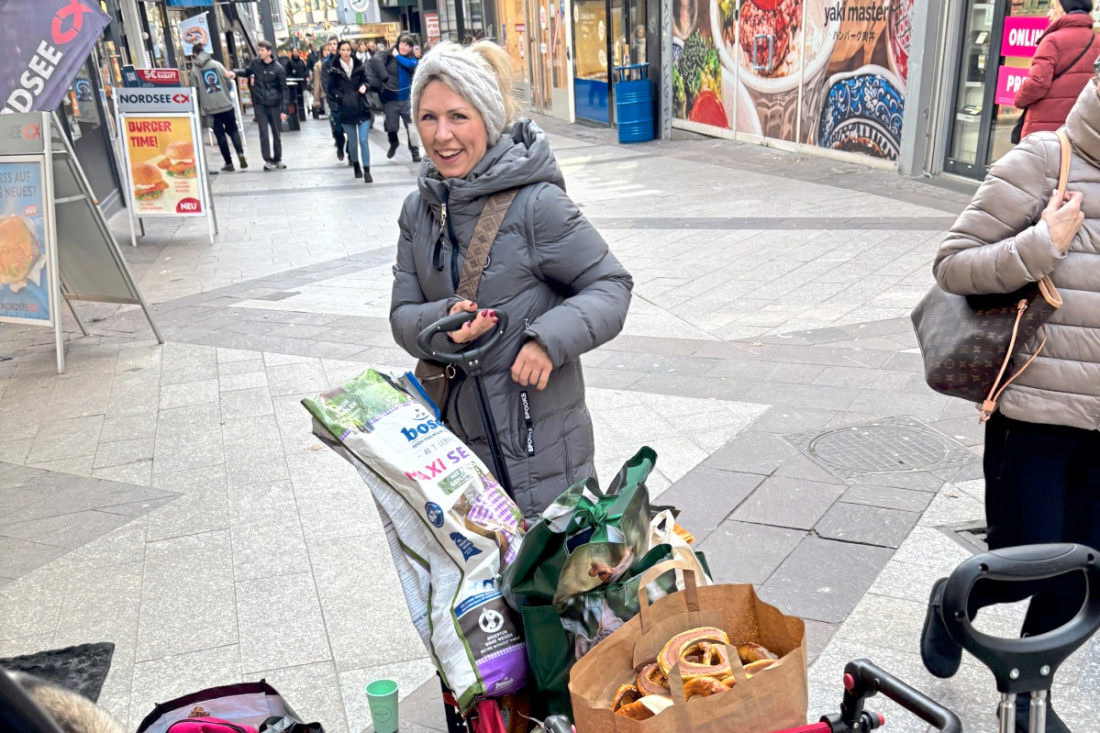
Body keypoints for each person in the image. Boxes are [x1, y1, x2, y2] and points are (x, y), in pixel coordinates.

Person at [920, 71, 1100, 733]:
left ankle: (1029, 696)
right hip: (1036, 418)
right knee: (1025, 564)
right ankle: (951, 603)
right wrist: (1041, 245)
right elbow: (953, 263)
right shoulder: (1044, 160)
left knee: (1084, 578)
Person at [389, 42, 633, 517]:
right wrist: (445, 322)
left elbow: (611, 284)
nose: (442, 135)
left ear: (487, 117)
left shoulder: (536, 204)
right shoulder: (418, 211)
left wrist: (547, 341)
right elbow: (402, 316)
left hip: (542, 455)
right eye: (428, 117)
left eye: (458, 117)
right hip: (458, 458)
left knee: (551, 563)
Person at [1013, 0, 1100, 139]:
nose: (1049, 13)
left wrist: (1019, 99)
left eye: (1053, 7)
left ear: (1064, 10)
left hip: (1046, 127)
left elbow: (1037, 82)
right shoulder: (1097, 41)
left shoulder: (1052, 40)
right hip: (1081, 128)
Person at [189, 43, 247, 172]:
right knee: (233, 130)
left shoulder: (194, 70)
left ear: (195, 54)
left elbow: (195, 91)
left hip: (210, 110)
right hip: (226, 105)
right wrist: (225, 94)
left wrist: (200, 104)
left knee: (220, 136)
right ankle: (240, 154)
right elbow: (228, 81)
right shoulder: (217, 64)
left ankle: (229, 163)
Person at [328, 40, 375, 183]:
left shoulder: (358, 65)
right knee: (353, 143)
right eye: (343, 50)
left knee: (363, 141)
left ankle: (367, 170)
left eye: (348, 50)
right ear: (339, 51)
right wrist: (342, 98)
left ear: (351, 51)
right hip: (346, 110)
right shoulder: (334, 69)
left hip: (361, 108)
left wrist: (364, 86)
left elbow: (367, 81)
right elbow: (331, 89)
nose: (346, 53)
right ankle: (356, 165)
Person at [371, 34, 421, 161]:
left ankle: (415, 152)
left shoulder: (412, 59)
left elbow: (410, 65)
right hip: (391, 99)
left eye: (406, 45)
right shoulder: (389, 58)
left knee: (412, 127)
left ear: (410, 48)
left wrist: (397, 56)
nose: (403, 47)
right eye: (402, 44)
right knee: (391, 127)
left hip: (406, 100)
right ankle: (393, 143)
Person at [246, 40, 289, 170]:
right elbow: (246, 71)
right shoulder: (255, 63)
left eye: (262, 50)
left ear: (269, 52)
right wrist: (234, 73)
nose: (259, 53)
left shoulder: (278, 69)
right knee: (263, 132)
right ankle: (268, 160)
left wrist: (284, 110)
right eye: (259, 50)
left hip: (274, 104)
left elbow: (284, 90)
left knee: (276, 133)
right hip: (260, 104)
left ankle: (278, 159)